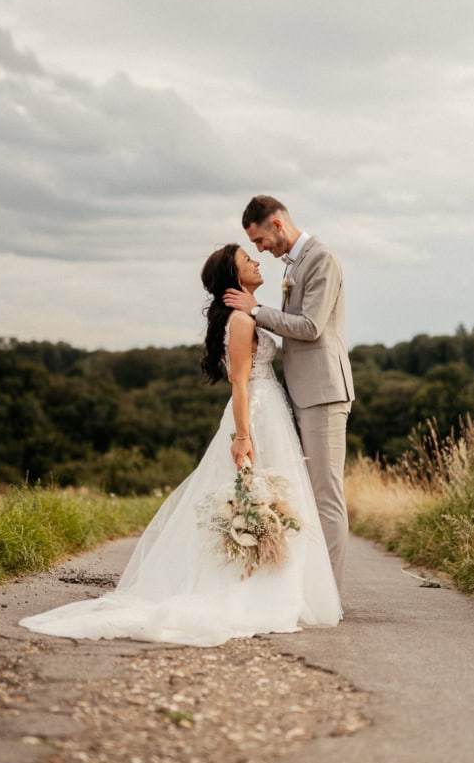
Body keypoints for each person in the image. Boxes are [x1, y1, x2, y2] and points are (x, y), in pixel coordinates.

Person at [19, 243, 342, 646]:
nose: (257, 261)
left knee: (276, 501)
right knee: (258, 499)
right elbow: (239, 383)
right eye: (247, 259)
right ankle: (253, 586)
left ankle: (274, 581)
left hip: (270, 407)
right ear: (233, 278)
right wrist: (243, 436)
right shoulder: (241, 322)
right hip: (257, 412)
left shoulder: (248, 316)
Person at [223, 196, 355, 589]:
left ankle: (329, 593)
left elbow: (311, 326)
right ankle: (304, 586)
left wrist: (256, 309)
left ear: (277, 225)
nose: (260, 249)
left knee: (326, 495)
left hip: (323, 393)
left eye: (261, 240)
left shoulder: (321, 260)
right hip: (299, 394)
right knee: (308, 495)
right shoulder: (294, 265)